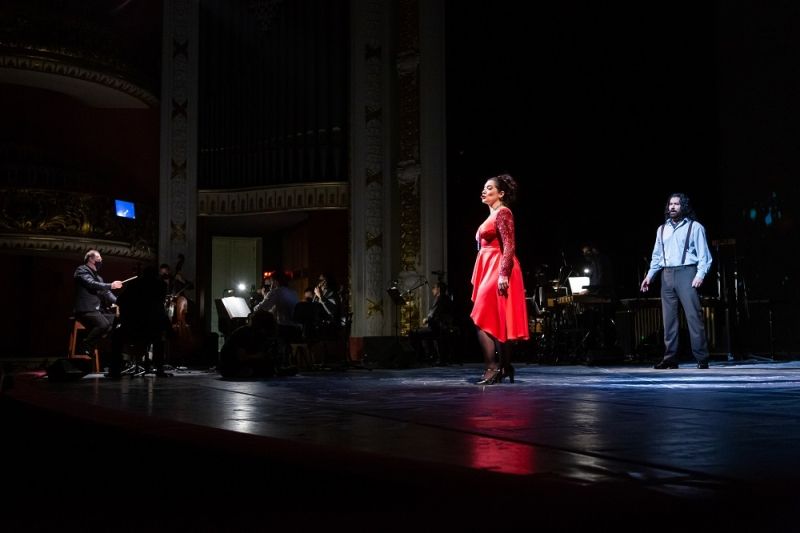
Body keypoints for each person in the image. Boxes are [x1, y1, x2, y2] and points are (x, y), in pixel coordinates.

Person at [640, 193, 713, 369]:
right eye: (670, 204)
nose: (672, 207)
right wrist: (649, 276)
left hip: (687, 272)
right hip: (666, 275)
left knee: (693, 316)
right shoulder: (662, 229)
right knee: (669, 319)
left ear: (684, 207)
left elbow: (705, 256)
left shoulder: (695, 227)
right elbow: (656, 257)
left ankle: (702, 358)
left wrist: (700, 275)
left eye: (676, 204)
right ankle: (670, 358)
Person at [470, 174, 529, 384]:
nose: (484, 191)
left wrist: (503, 273)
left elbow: (509, 245)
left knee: (481, 316)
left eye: (489, 188)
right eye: (484, 188)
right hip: (488, 266)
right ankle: (505, 366)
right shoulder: (491, 214)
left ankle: (492, 367)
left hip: (499, 266)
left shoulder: (503, 213)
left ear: (501, 193)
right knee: (498, 318)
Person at [110, 265, 172, 377]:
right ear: (156, 274)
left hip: (134, 327)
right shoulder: (161, 285)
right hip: (153, 328)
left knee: (115, 336)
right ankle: (159, 369)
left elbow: (120, 300)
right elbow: (159, 306)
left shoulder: (134, 283)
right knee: (159, 338)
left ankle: (114, 370)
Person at [73, 249, 123, 358]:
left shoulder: (99, 277)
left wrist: (119, 302)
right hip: (85, 310)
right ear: (91, 259)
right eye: (99, 257)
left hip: (96, 311)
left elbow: (106, 293)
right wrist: (111, 285)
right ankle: (86, 344)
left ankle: (95, 346)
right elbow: (91, 284)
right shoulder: (82, 270)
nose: (101, 260)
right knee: (104, 324)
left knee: (115, 322)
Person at [409, 281, 454, 365]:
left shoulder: (439, 299)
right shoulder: (446, 298)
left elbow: (432, 314)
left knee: (413, 332)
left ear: (438, 289)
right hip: (443, 327)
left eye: (433, 288)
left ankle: (421, 357)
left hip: (437, 328)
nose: (432, 290)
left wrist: (426, 319)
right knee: (424, 335)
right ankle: (431, 355)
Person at [312, 272, 342, 338]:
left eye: (322, 280)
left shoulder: (333, 293)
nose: (320, 283)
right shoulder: (319, 293)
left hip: (329, 327)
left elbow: (331, 312)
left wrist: (320, 296)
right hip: (318, 325)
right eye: (319, 280)